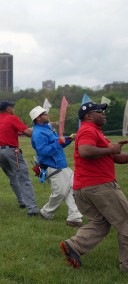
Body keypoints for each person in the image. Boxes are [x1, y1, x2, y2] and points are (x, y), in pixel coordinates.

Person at [60, 102, 128, 271]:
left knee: (101, 222)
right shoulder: (88, 130)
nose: (104, 114)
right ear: (89, 116)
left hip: (85, 188)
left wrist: (112, 150)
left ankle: (74, 245)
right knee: (126, 223)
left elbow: (115, 158)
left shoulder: (95, 131)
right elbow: (85, 151)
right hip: (100, 187)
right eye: (100, 111)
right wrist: (111, 148)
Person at [29, 106, 83, 227]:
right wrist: (58, 142)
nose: (47, 115)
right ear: (38, 118)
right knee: (60, 192)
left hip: (61, 165)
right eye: (45, 113)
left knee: (72, 189)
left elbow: (58, 143)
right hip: (52, 166)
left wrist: (69, 139)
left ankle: (74, 216)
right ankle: (46, 212)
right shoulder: (38, 133)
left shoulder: (47, 128)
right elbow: (43, 151)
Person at [0, 101, 39, 216]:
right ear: (8, 109)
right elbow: (29, 133)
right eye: (12, 107)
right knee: (24, 178)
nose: (14, 109)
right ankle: (32, 209)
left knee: (12, 177)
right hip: (11, 151)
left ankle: (22, 202)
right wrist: (41, 128)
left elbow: (13, 131)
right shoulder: (12, 117)